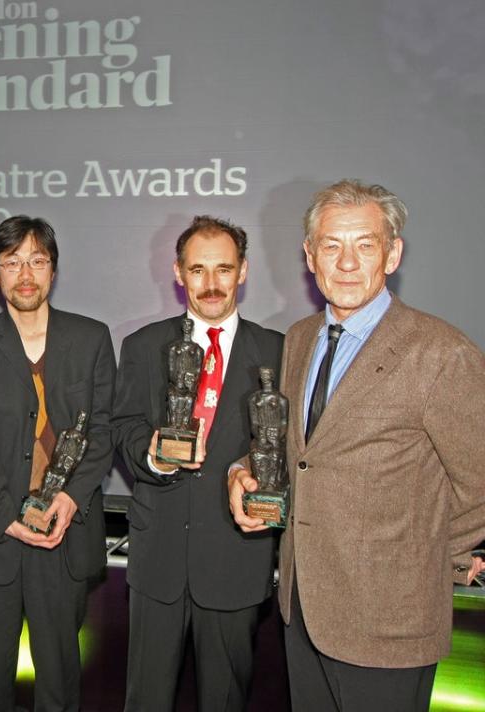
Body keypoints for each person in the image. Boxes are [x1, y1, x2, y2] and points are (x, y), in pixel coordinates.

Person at [228, 179, 485, 711]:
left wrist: (431, 560)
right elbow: (301, 449)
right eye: (331, 245)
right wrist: (244, 471)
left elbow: (478, 481)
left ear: (392, 255)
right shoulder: (300, 338)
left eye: (364, 245)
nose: (347, 262)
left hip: (390, 625)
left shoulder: (442, 352)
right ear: (309, 256)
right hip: (303, 610)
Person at [113, 215, 283, 711]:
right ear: (177, 272)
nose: (211, 284)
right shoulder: (143, 347)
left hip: (236, 559)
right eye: (198, 269)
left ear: (244, 271)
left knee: (226, 700)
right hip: (158, 559)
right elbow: (122, 428)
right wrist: (156, 455)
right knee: (145, 700)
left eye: (224, 269)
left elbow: (291, 447)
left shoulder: (278, 351)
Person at [0, 215, 115, 712]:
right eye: (13, 262)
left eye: (38, 261)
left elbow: (102, 430)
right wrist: (9, 518)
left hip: (65, 535)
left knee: (59, 680)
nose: (26, 273)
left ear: (54, 270)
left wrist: (68, 498)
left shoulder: (90, 338)